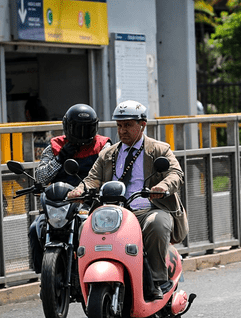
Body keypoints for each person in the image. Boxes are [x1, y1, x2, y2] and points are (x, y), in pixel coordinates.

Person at [67, 100, 189, 301]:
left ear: (143, 125)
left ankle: (158, 280)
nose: (122, 131)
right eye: (119, 126)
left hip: (148, 210)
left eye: (128, 125)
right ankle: (85, 280)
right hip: (114, 214)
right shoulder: (108, 154)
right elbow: (92, 179)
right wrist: (79, 191)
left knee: (158, 224)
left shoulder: (159, 149)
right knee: (84, 228)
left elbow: (176, 173)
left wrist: (163, 187)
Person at [27, 104, 111, 273]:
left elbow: (109, 175)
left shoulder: (103, 146)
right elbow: (41, 177)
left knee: (93, 231)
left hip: (90, 204)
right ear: (67, 127)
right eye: (76, 128)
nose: (81, 133)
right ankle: (43, 273)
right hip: (59, 204)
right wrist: (61, 157)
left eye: (86, 129)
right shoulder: (55, 146)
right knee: (35, 228)